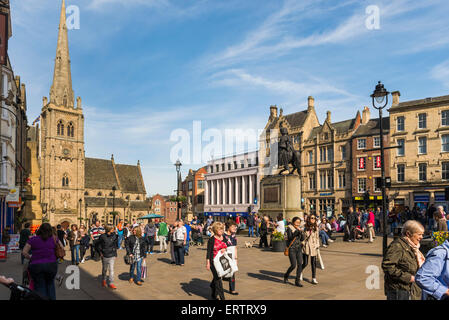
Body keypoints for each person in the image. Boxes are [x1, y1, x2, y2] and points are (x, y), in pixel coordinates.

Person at [381, 220, 425, 300]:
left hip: (411, 290)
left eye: (422, 234)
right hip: (400, 291)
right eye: (419, 234)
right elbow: (388, 266)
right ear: (408, 234)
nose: (421, 237)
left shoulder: (413, 247)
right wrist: (408, 277)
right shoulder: (397, 246)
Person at [22, 223, 61, 300]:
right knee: (50, 285)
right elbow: (62, 248)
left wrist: (30, 257)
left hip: (36, 265)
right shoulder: (54, 238)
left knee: (39, 286)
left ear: (40, 230)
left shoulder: (33, 239)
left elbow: (24, 252)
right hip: (51, 264)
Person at [206, 222, 227, 300]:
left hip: (221, 261)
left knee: (217, 277)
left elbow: (226, 246)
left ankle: (212, 286)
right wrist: (208, 263)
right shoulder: (211, 240)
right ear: (215, 230)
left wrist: (225, 248)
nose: (221, 230)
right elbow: (208, 252)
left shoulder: (224, 238)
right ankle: (222, 298)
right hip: (213, 262)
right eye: (219, 229)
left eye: (222, 229)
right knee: (218, 279)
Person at [284, 217, 305, 287]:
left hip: (298, 248)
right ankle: (286, 275)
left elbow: (302, 239)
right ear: (293, 222)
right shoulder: (289, 228)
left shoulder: (299, 229)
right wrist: (296, 232)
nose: (298, 224)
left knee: (300, 264)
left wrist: (301, 233)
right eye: (296, 222)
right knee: (293, 265)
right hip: (292, 249)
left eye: (299, 223)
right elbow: (290, 238)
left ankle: (297, 281)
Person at [96, 225, 118, 289]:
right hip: (105, 255)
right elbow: (97, 244)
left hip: (112, 255)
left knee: (111, 270)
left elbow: (115, 245)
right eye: (112, 228)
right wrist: (100, 252)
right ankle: (104, 280)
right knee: (105, 269)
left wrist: (115, 254)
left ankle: (111, 283)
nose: (113, 229)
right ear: (108, 229)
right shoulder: (102, 236)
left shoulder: (114, 236)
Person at [301, 214, 320, 285]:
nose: (313, 219)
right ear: (309, 219)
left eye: (314, 218)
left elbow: (317, 237)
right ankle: (300, 272)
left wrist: (317, 245)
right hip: (306, 246)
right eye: (312, 218)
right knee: (305, 263)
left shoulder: (316, 228)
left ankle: (313, 278)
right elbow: (302, 237)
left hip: (313, 246)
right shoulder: (305, 227)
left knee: (313, 263)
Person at [223, 221, 239, 295]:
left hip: (232, 256)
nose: (234, 228)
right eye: (233, 226)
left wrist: (236, 257)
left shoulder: (234, 236)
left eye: (235, 226)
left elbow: (235, 247)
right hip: (225, 255)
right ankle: (214, 285)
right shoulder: (223, 235)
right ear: (228, 227)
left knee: (232, 272)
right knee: (221, 272)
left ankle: (232, 289)